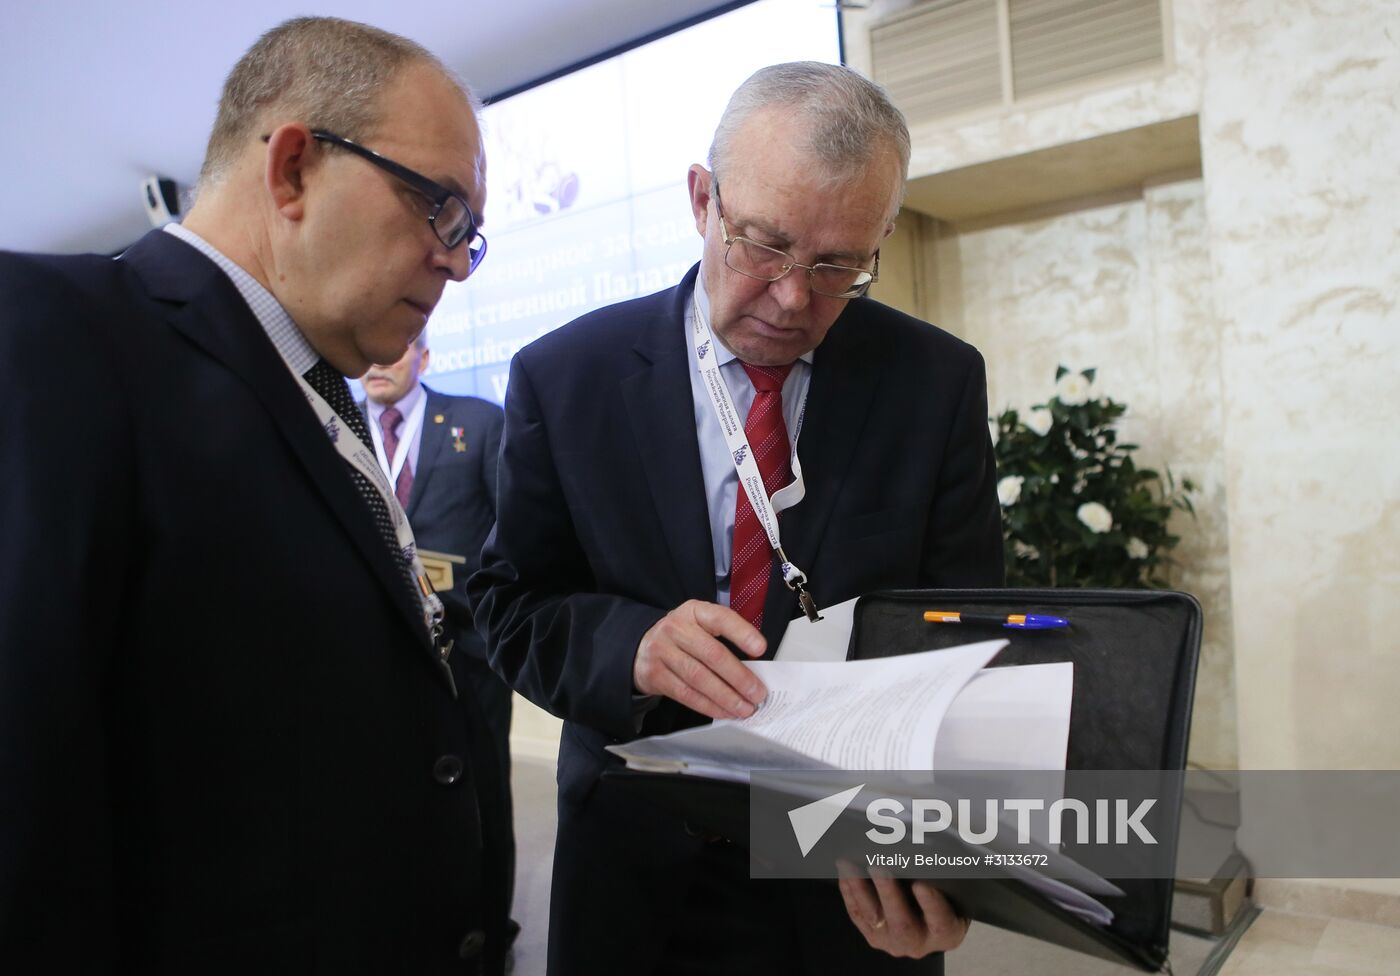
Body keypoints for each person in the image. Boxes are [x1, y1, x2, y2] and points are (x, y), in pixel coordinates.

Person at [468, 61, 1004, 975]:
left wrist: (951, 874)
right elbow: (509, 603)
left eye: (840, 265)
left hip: (848, 877)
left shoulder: (933, 383)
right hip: (635, 870)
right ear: (701, 200)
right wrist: (628, 647)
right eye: (764, 244)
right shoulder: (568, 379)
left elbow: (968, 645)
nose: (794, 298)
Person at [0, 17, 509, 974]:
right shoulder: (55, 339)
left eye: (468, 234)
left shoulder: (316, 397)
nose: (452, 258)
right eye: (438, 207)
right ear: (291, 170)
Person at [359, 337, 517, 943]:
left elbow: (512, 534)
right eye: (369, 351)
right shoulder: (334, 428)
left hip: (468, 655)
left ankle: (491, 928)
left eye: (394, 351)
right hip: (380, 655)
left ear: (423, 358)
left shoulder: (477, 423)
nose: (378, 362)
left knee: (484, 798)